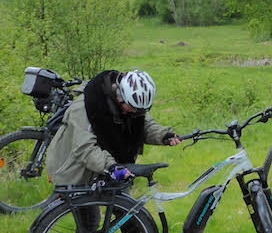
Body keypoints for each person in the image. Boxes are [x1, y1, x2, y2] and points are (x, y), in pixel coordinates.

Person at [47, 69, 181, 187]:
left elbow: (145, 125)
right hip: (74, 171)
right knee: (83, 214)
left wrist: (164, 136)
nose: (134, 113)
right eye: (132, 108)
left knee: (127, 211)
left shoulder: (132, 107)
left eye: (139, 110)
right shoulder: (85, 107)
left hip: (108, 168)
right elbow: (85, 148)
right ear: (120, 95)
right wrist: (112, 166)